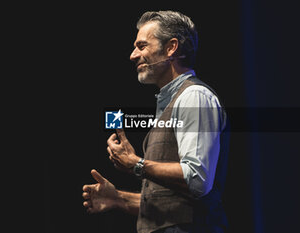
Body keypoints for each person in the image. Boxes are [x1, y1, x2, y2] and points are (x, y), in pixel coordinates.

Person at [82, 11, 229, 233]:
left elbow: (198, 180)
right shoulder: (172, 102)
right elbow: (170, 203)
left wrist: (136, 164)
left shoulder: (194, 97)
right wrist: (118, 198)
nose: (133, 55)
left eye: (142, 46)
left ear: (171, 48)